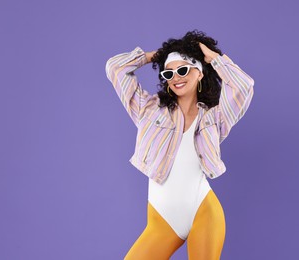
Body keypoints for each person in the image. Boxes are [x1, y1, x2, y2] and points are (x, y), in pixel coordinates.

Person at [105, 30, 254, 260]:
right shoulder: (149, 110)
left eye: (183, 69)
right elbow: (115, 68)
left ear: (200, 73)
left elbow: (244, 87)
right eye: (169, 73)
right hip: (162, 221)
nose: (176, 77)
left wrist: (214, 59)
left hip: (204, 213)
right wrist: (155, 56)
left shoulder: (213, 118)